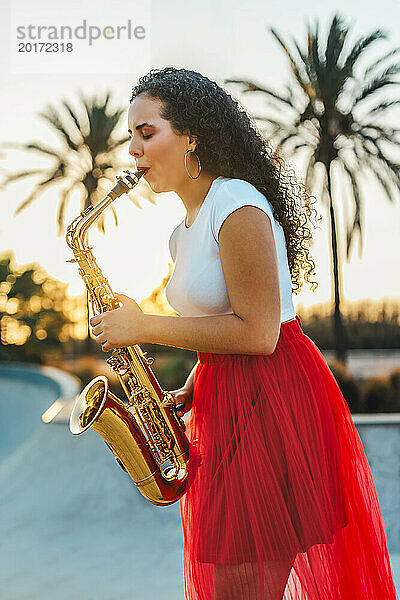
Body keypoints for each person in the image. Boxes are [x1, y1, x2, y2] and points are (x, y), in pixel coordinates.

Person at [89, 67, 398, 600]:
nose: (134, 151)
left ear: (191, 137)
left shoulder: (236, 202)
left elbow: (260, 334)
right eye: (130, 137)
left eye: (147, 132)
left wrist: (143, 326)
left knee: (245, 587)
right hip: (225, 400)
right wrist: (194, 381)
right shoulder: (180, 235)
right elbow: (223, 322)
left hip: (273, 401)